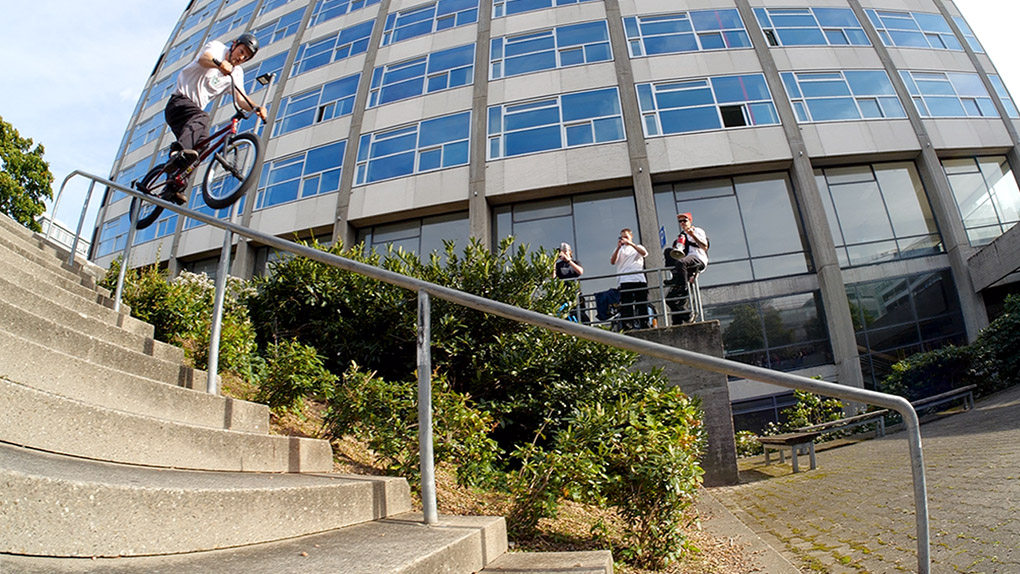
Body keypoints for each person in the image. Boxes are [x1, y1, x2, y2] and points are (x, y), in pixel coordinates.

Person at [162, 32, 268, 204]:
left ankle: (173, 186)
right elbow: (204, 58)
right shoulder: (217, 48)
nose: (241, 58)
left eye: (246, 57)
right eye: (241, 52)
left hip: (191, 115)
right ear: (234, 45)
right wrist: (218, 65)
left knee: (203, 146)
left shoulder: (237, 73)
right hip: (178, 103)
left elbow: (241, 98)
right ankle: (176, 153)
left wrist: (256, 107)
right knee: (202, 117)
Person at [665, 212, 709, 323]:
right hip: (685, 266)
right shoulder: (681, 235)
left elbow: (704, 246)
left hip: (697, 259)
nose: (682, 223)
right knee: (670, 299)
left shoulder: (698, 231)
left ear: (690, 221)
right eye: (680, 221)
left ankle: (682, 285)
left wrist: (692, 235)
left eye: (685, 220)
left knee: (681, 263)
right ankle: (685, 317)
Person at [610, 228, 649, 330]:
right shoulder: (619, 249)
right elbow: (613, 261)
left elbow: (644, 253)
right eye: (622, 237)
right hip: (625, 280)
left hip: (638, 279)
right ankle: (628, 327)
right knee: (627, 305)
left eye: (626, 237)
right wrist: (618, 248)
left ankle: (644, 325)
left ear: (631, 237)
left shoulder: (637, 247)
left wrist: (631, 244)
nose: (624, 239)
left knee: (642, 303)